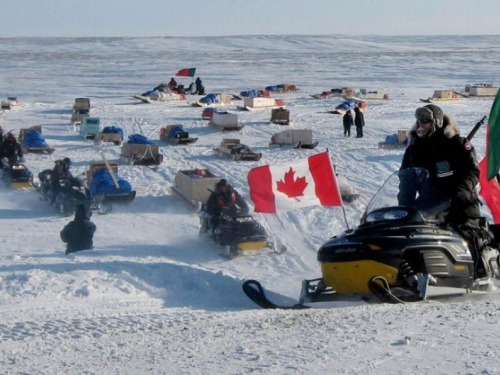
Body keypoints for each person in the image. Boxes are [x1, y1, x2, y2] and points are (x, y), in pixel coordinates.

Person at [398, 104, 491, 276]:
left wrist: (462, 191)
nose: (420, 125)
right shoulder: (414, 149)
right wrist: (405, 206)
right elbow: (406, 178)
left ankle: (479, 274)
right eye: (418, 121)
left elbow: (473, 172)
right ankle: (411, 271)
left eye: (425, 121)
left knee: (466, 234)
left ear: (437, 122)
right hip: (428, 206)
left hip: (459, 203)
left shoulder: (457, 144)